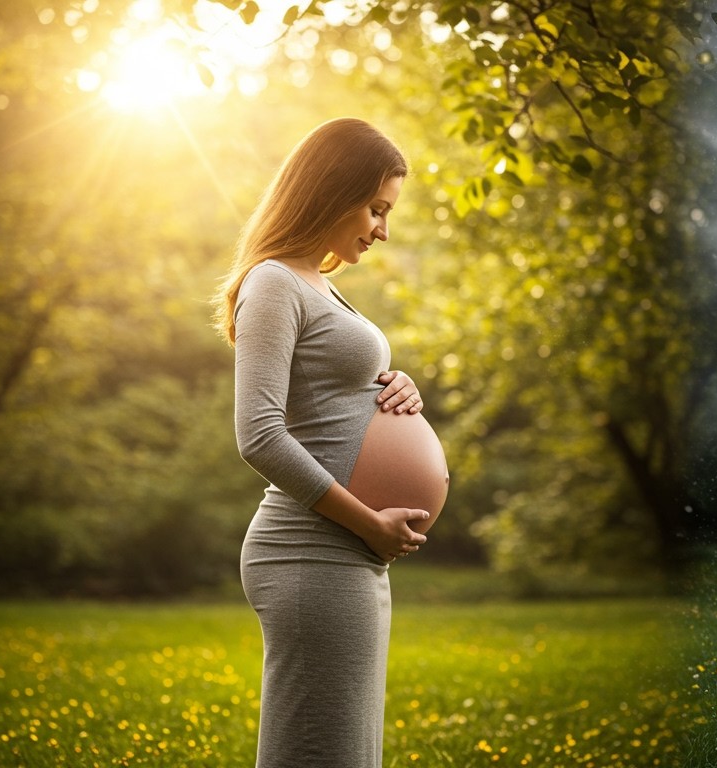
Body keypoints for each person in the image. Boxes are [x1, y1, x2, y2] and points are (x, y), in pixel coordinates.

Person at [213, 117, 431, 768]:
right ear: (331, 190)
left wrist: (394, 386)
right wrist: (369, 522)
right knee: (320, 752)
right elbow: (258, 433)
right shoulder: (274, 281)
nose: (382, 230)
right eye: (375, 208)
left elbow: (328, 392)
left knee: (345, 751)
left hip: (347, 555)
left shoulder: (315, 282)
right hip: (311, 554)